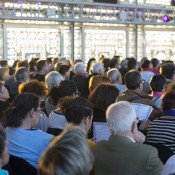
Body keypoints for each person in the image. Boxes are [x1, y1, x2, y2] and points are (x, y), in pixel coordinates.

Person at [93, 101, 163, 175]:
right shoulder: (148, 153)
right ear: (133, 126)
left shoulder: (98, 147)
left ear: (108, 125)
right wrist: (144, 143)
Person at [5, 93, 53, 168]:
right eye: (40, 111)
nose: (40, 116)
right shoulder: (47, 139)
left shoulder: (7, 130)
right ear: (32, 112)